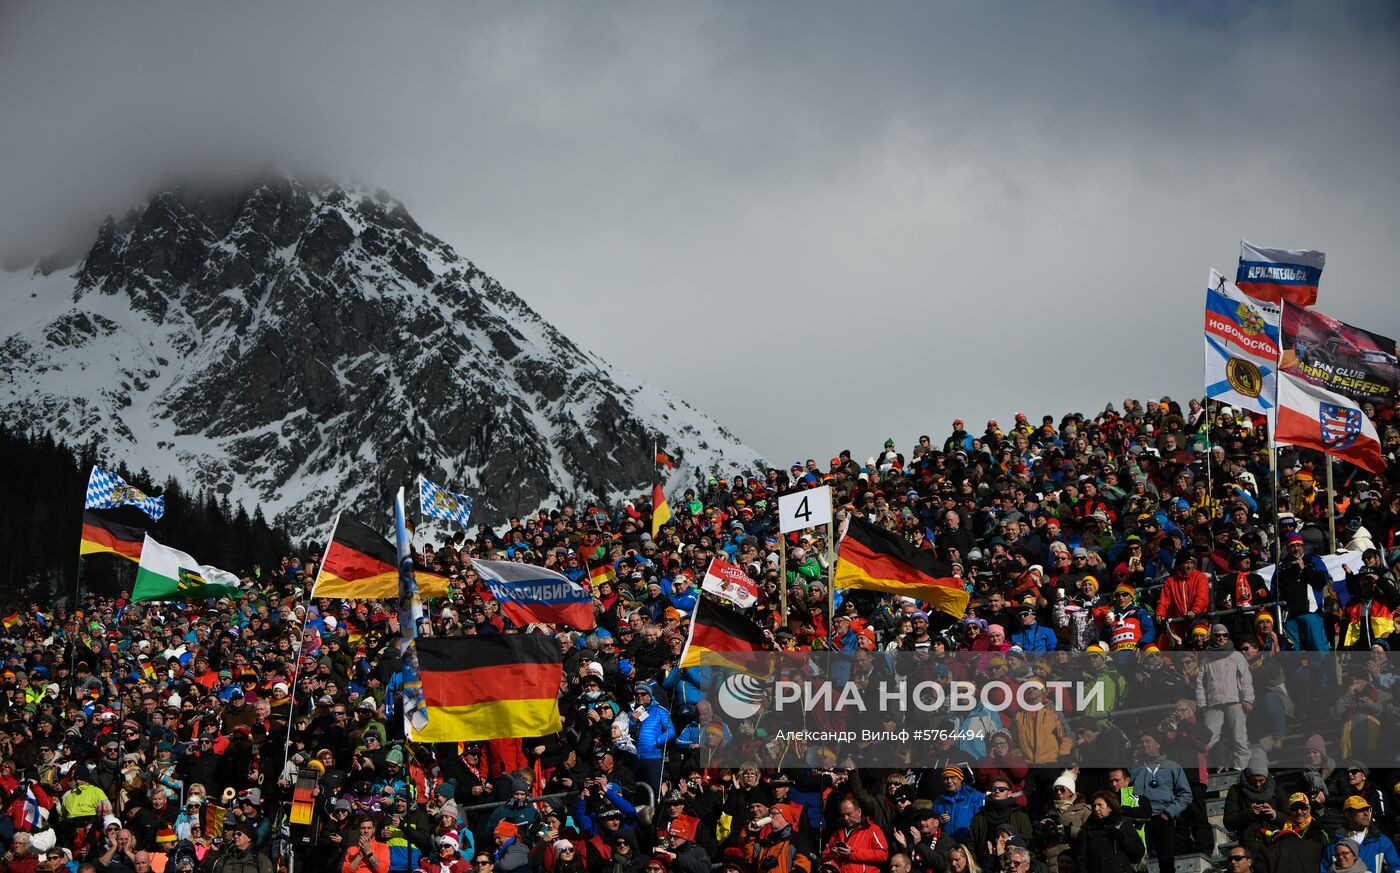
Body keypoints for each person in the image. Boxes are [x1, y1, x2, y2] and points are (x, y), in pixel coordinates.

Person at [1130, 732, 1191, 873]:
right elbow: (1128, 793)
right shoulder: (1135, 770)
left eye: (1148, 741)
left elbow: (1186, 794)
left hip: (1163, 818)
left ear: (1158, 743)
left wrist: (1169, 812)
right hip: (1141, 821)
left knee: (1166, 861)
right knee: (1139, 861)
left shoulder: (1172, 766)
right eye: (1142, 742)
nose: (1144, 745)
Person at [1196, 624, 1254, 770]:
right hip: (1213, 703)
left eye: (1225, 635)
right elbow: (1200, 685)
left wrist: (1248, 698)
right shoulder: (1206, 660)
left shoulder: (1237, 656)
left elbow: (1246, 679)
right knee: (1207, 739)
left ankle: (1242, 768)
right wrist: (1202, 704)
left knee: (1239, 737)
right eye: (1218, 635)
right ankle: (1209, 769)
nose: (1222, 638)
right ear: (1213, 637)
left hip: (1235, 702)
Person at [1322, 797, 1400, 873]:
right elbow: (1324, 869)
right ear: (1348, 814)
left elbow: (1395, 868)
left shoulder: (1382, 841)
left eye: (1367, 810)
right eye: (1361, 810)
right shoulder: (1334, 843)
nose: (1366, 814)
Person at [1073, 790, 1144, 873]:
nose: (1096, 809)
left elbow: (1139, 852)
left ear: (1110, 807)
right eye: (1094, 806)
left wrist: (1122, 839)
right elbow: (1082, 858)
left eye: (1100, 805)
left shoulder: (1123, 825)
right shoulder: (1088, 829)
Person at [1260, 793, 1329, 873]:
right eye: (1295, 808)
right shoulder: (1285, 826)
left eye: (1303, 808)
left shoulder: (1318, 828)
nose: (1299, 812)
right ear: (1290, 811)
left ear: (1309, 809)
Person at [820, 799, 889, 873]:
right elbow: (823, 857)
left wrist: (851, 854)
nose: (845, 818)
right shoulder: (837, 833)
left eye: (849, 814)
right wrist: (832, 854)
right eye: (842, 815)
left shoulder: (873, 830)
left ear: (859, 812)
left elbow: (883, 854)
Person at [209, 825, 273, 873]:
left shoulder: (260, 858)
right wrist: (214, 852)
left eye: (239, 834)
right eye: (234, 834)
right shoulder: (225, 858)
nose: (235, 836)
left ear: (249, 838)